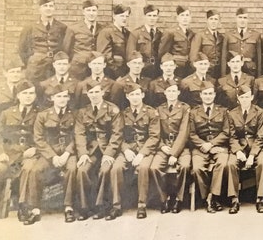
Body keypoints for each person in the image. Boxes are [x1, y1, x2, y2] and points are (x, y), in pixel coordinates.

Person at [22, 84, 76, 225]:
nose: (62, 99)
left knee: (72, 169)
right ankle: (35, 209)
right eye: (59, 96)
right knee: (35, 170)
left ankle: (68, 207)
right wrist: (53, 157)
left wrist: (66, 154)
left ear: (69, 98)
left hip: (68, 152)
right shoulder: (43, 115)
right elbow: (39, 139)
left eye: (65, 96)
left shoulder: (74, 114)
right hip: (49, 153)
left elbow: (78, 136)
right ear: (52, 98)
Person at [73, 79, 123, 220]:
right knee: (82, 170)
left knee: (105, 170)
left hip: (108, 149)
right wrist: (82, 154)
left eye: (97, 92)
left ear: (102, 92)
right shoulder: (83, 112)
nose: (94, 95)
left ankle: (101, 207)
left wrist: (109, 153)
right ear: (87, 94)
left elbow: (117, 133)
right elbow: (79, 134)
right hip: (91, 151)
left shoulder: (112, 109)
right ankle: (84, 208)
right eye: (91, 93)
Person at [113, 83, 161, 220]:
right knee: (116, 168)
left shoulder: (151, 112)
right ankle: (116, 205)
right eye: (132, 95)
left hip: (145, 149)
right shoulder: (123, 114)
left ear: (143, 95)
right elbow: (118, 135)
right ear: (127, 97)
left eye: (137, 94)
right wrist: (126, 150)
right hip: (128, 148)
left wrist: (141, 154)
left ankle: (141, 205)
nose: (135, 98)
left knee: (144, 167)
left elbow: (154, 137)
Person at [0, 80, 38, 213]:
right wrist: (0, 152)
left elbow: (43, 136)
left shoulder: (39, 113)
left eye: (31, 93)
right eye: (24, 93)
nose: (28, 96)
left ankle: (24, 207)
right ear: (18, 96)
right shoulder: (7, 113)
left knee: (28, 169)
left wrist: (35, 148)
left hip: (29, 154)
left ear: (35, 96)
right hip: (9, 154)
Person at [189, 81, 231, 213]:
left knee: (222, 164)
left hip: (218, 146)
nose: (208, 96)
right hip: (200, 147)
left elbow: (226, 132)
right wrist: (204, 145)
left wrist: (212, 144)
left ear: (214, 95)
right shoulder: (194, 112)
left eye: (210, 94)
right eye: (205, 94)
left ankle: (213, 197)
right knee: (197, 168)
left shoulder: (223, 111)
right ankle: (208, 196)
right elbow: (191, 133)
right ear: (201, 95)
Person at [151, 80, 191, 214]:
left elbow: (184, 132)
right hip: (164, 146)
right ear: (165, 93)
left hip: (181, 147)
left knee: (185, 166)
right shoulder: (159, 109)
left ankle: (179, 199)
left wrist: (174, 153)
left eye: (174, 91)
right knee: (155, 167)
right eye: (169, 91)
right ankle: (164, 199)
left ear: (178, 93)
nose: (172, 94)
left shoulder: (185, 108)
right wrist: (162, 146)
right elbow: (156, 132)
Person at [228, 85, 263, 214]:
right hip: (239, 146)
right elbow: (231, 136)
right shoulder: (232, 113)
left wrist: (252, 155)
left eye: (247, 97)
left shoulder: (259, 112)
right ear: (238, 98)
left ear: (251, 97)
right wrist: (238, 151)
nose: (245, 100)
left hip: (255, 146)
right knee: (231, 164)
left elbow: (260, 136)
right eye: (242, 97)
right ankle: (234, 199)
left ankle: (260, 198)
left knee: (262, 162)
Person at [18, 0, 67, 83]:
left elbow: (65, 47)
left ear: (54, 8)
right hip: (35, 67)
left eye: (51, 6)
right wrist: (31, 60)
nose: (48, 8)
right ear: (40, 8)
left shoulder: (62, 27)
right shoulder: (30, 27)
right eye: (45, 6)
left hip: (54, 67)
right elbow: (22, 48)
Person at [63, 0, 104, 81]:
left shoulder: (103, 28)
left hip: (96, 68)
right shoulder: (73, 28)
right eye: (88, 10)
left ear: (97, 12)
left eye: (94, 10)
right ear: (83, 12)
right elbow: (66, 50)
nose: (91, 13)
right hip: (78, 68)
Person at [221, 7, 262, 78]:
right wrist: (223, 75)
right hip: (233, 69)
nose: (242, 20)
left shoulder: (255, 35)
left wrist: (259, 76)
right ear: (236, 18)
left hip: (250, 70)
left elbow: (259, 58)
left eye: (245, 18)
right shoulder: (228, 35)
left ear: (248, 19)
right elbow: (224, 57)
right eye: (240, 17)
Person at [126, 4, 163, 79]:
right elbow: (130, 55)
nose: (152, 18)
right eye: (149, 15)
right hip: (142, 70)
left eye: (154, 16)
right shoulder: (136, 33)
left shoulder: (160, 34)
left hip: (157, 70)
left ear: (157, 17)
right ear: (144, 16)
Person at [158, 5, 195, 79]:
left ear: (190, 18)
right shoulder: (170, 32)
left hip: (189, 68)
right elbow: (163, 53)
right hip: (175, 68)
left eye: (187, 15)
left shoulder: (191, 33)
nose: (185, 18)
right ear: (177, 18)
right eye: (182, 15)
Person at [96, 3, 131, 79]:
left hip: (126, 73)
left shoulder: (128, 33)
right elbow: (105, 57)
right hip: (112, 74)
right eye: (121, 16)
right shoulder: (106, 32)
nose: (124, 18)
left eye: (126, 16)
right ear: (114, 16)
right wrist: (117, 75)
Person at [189, 9, 224, 79]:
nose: (213, 22)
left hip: (218, 73)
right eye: (211, 19)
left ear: (219, 21)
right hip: (205, 72)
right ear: (207, 20)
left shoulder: (221, 37)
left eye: (216, 19)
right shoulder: (200, 35)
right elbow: (193, 57)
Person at [0, 58, 25, 123]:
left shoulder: (27, 90)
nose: (15, 75)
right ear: (5, 73)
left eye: (18, 72)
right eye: (12, 72)